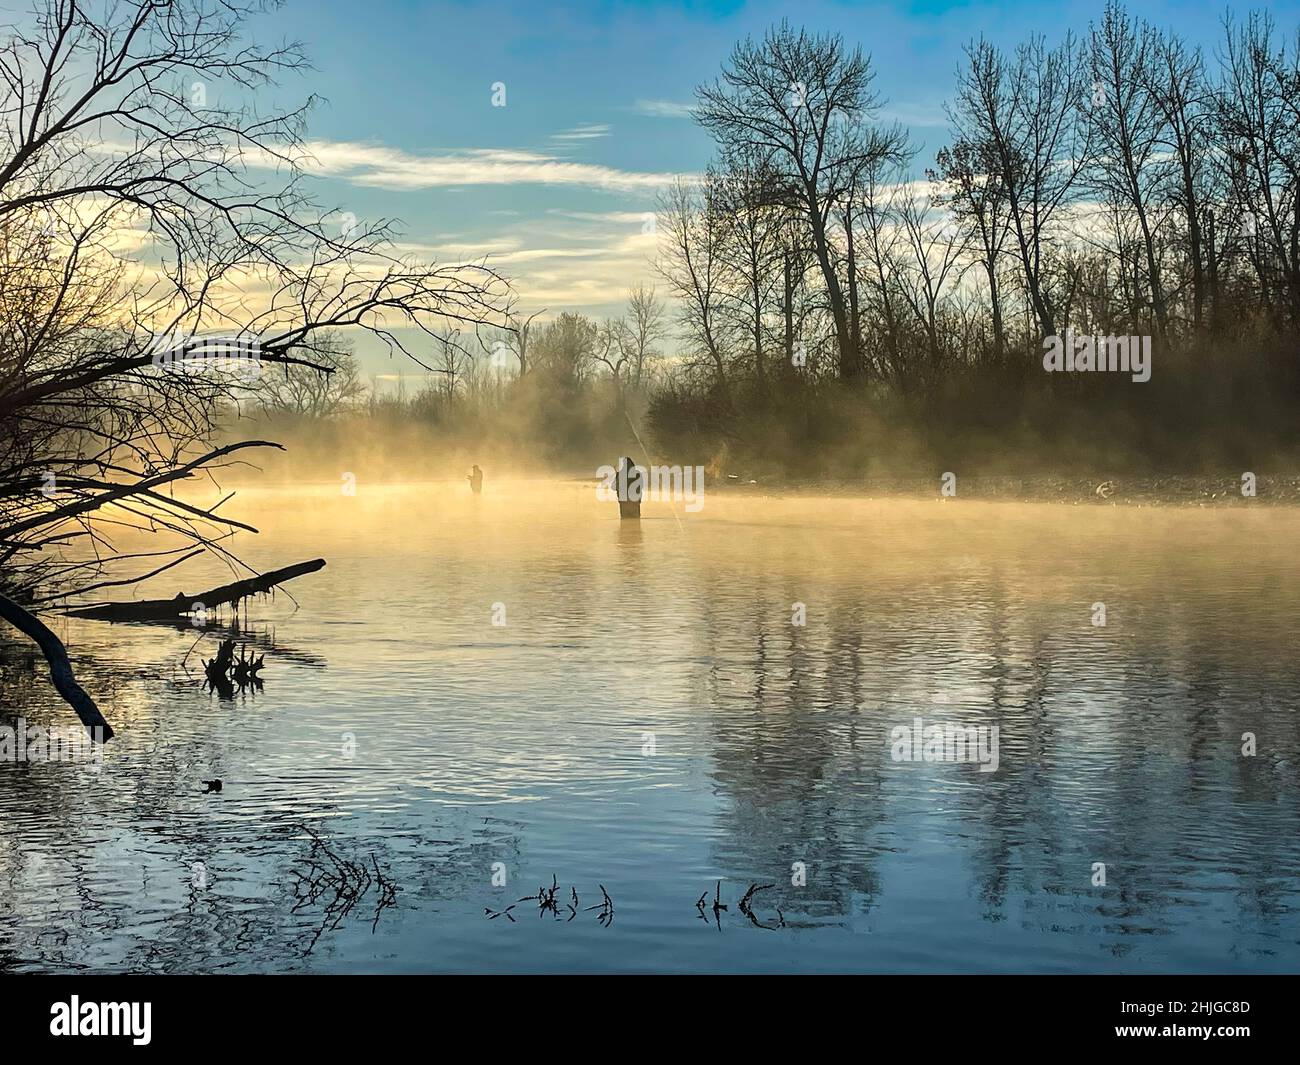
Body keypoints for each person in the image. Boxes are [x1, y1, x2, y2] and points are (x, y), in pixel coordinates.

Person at [616, 455, 642, 520]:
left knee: (624, 519)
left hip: (624, 500)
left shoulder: (620, 474)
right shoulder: (637, 474)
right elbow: (639, 488)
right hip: (634, 500)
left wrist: (619, 498)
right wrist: (639, 499)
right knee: (636, 521)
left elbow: (617, 487)